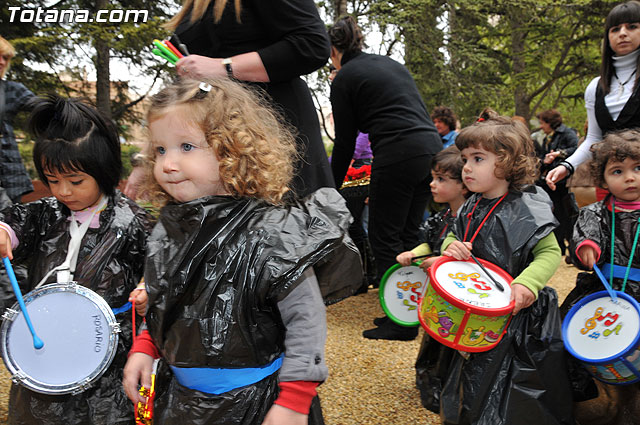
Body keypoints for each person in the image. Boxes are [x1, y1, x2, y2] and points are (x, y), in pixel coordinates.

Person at [122, 78, 362, 425]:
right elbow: (167, 302)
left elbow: (306, 318)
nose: (168, 164)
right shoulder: (170, 230)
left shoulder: (273, 231)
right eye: (160, 150)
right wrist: (145, 347)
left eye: (186, 147)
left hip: (258, 404)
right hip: (183, 403)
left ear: (232, 149)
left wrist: (294, 400)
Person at [0, 94, 153, 424]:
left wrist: (147, 289)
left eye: (76, 181)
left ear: (105, 170)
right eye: (52, 181)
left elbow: (159, 268)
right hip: (44, 346)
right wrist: (3, 232)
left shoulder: (134, 223)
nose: (63, 192)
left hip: (106, 359)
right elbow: (13, 222)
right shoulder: (44, 214)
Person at [434, 111, 574, 424]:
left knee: (515, 393)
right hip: (475, 310)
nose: (466, 167)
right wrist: (450, 248)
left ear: (507, 161)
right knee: (471, 384)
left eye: (477, 159)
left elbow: (550, 251)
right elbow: (454, 236)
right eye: (465, 158)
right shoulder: (472, 203)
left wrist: (527, 284)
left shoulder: (528, 204)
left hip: (518, 320)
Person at [124, 0, 333, 200]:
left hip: (272, 136)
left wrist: (223, 67)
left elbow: (312, 44)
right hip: (213, 145)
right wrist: (148, 158)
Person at [328, 16, 443, 340]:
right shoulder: (387, 63)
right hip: (430, 152)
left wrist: (333, 186)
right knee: (409, 235)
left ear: (333, 49)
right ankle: (413, 310)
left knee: (384, 236)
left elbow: (346, 141)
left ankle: (401, 321)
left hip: (396, 154)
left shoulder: (345, 76)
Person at [559, 130, 640, 423]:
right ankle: (599, 408)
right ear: (603, 181)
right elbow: (587, 234)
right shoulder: (596, 211)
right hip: (607, 292)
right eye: (618, 171)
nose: (630, 177)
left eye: (638, 168)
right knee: (588, 351)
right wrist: (588, 248)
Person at [390, 146, 469, 412]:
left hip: (461, 297)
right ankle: (431, 379)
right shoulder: (442, 218)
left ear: (464, 185)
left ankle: (448, 384)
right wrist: (414, 253)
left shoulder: (473, 219)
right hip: (438, 295)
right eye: (433, 178)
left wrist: (442, 262)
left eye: (441, 179)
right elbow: (430, 244)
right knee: (435, 335)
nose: (432, 184)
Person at [546, 1, 640, 192]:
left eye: (632, 26)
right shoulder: (595, 87)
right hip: (611, 184)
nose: (622, 33)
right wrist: (567, 166)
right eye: (615, 29)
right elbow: (594, 139)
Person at [536, 109, 579, 257]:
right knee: (554, 213)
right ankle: (559, 245)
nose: (541, 126)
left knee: (564, 214)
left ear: (550, 122)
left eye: (543, 123)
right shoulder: (549, 137)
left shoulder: (567, 133)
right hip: (550, 182)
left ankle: (567, 245)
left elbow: (577, 149)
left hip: (563, 183)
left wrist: (559, 154)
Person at [0, 36, 35, 203]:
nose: (1, 62)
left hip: (7, 180)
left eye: (5, 58)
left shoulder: (11, 90)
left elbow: (46, 109)